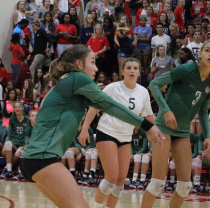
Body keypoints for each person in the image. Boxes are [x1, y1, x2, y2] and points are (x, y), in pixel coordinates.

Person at [20, 45, 163, 208]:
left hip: (33, 159)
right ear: (79, 64)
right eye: (93, 62)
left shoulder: (68, 81)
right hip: (42, 158)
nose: (96, 68)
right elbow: (111, 106)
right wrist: (147, 125)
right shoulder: (78, 78)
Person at [140, 41, 210, 208]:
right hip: (163, 127)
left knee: (185, 186)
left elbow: (204, 111)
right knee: (157, 183)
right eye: (207, 50)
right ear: (200, 54)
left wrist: (207, 136)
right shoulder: (186, 69)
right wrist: (166, 110)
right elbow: (154, 84)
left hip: (183, 131)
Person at [79, 58, 154, 208]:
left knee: (120, 181)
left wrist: (161, 130)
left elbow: (149, 116)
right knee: (111, 177)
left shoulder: (143, 92)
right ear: (122, 71)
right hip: (107, 132)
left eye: (135, 68)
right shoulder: (113, 87)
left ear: (139, 72)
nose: (132, 71)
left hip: (126, 137)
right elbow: (94, 107)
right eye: (129, 68)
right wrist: (85, 128)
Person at [1, 101, 29, 179]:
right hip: (14, 143)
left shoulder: (27, 119)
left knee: (20, 151)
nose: (17, 109)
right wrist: (5, 144)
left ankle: (9, 167)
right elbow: (9, 134)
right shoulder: (12, 119)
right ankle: (9, 171)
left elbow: (28, 135)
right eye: (15, 107)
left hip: (23, 144)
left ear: (22, 108)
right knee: (7, 146)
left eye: (19, 107)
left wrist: (26, 145)